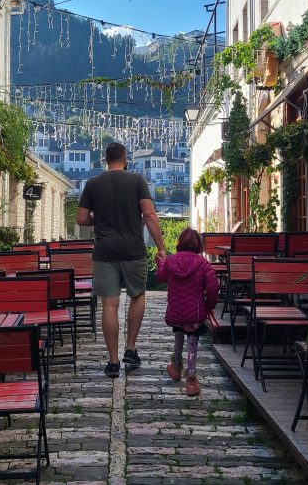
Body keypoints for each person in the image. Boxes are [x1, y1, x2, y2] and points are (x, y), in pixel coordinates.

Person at [76, 142, 166, 377]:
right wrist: (161, 247)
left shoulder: (93, 184)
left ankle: (113, 361)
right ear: (125, 158)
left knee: (109, 305)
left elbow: (81, 219)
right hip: (133, 250)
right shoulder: (137, 181)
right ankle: (131, 348)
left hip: (104, 251)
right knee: (137, 296)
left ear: (106, 160)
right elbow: (149, 214)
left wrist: (101, 218)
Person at [156, 227, 219, 397]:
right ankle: (191, 379)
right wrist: (209, 306)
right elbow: (213, 287)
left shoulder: (170, 261)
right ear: (198, 245)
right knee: (192, 342)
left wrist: (161, 263)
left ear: (180, 243)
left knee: (178, 335)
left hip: (176, 311)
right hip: (195, 312)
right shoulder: (203, 263)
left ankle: (176, 365)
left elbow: (161, 277)